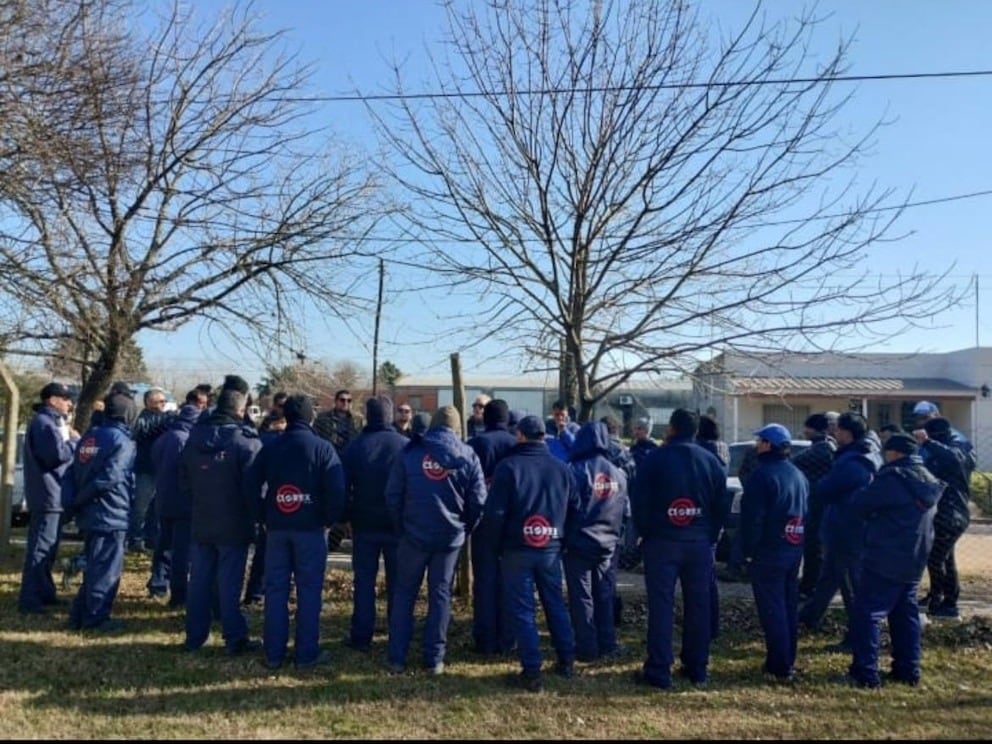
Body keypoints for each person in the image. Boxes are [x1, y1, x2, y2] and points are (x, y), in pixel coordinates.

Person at [384, 405, 487, 676]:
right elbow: (478, 501)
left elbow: (393, 495)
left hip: (413, 535)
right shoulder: (468, 455)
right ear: (456, 428)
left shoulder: (410, 452)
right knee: (440, 596)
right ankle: (434, 658)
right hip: (450, 538)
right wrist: (466, 527)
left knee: (404, 594)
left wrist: (401, 527)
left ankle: (397, 656)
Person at [630, 408, 727, 690]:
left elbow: (640, 503)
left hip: (662, 541)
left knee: (661, 606)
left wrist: (648, 534)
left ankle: (659, 670)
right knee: (699, 605)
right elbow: (721, 505)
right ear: (695, 431)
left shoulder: (654, 459)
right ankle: (698, 667)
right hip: (698, 542)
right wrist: (708, 534)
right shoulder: (711, 461)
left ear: (671, 428)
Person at [248, 394, 346, 669]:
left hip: (277, 528)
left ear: (286, 416)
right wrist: (327, 519)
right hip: (311, 529)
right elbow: (336, 491)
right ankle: (306, 654)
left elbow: (250, 484)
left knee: (276, 590)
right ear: (310, 417)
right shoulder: (323, 449)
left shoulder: (271, 447)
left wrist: (262, 516)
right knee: (309, 590)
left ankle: (274, 654)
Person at [486, 415, 579, 691]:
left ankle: (532, 670)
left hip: (517, 548)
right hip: (551, 547)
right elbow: (575, 508)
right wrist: (563, 538)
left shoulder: (509, 467)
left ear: (521, 436)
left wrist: (496, 545)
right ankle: (567, 659)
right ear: (544, 437)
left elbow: (495, 513)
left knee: (523, 609)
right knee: (555, 604)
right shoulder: (562, 469)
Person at [844, 433, 942, 688]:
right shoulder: (928, 479)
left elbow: (859, 503)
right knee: (904, 613)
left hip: (884, 554)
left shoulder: (893, 478)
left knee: (868, 613)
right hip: (915, 556)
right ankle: (908, 669)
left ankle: (865, 673)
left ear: (895, 453)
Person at [180, 388, 263, 655]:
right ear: (240, 411)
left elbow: (184, 480)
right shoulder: (245, 442)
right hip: (235, 522)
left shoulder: (194, 439)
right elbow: (255, 487)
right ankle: (234, 636)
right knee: (230, 582)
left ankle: (194, 636)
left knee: (199, 580)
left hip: (202, 517)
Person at [799, 412, 881, 652]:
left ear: (848, 433)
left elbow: (827, 487)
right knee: (829, 576)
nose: (834, 432)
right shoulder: (857, 456)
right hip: (842, 527)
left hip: (848, 529)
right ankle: (810, 618)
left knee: (850, 586)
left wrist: (823, 485)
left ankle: (857, 638)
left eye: (838, 428)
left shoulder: (855, 461)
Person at [339, 395, 408, 652]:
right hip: (395, 523)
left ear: (368, 415)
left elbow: (343, 487)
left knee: (364, 582)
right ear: (390, 415)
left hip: (364, 523)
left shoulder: (355, 447)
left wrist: (345, 517)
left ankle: (361, 635)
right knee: (398, 582)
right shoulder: (404, 446)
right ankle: (397, 631)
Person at [741, 424, 808, 682]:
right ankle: (786, 657)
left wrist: (749, 551)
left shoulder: (762, 475)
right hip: (793, 546)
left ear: (768, 444)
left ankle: (779, 665)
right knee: (788, 605)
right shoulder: (797, 475)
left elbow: (753, 518)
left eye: (759, 441)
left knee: (772, 609)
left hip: (769, 550)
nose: (756, 446)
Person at [64, 392, 135, 631]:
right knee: (106, 569)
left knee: (94, 565)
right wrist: (83, 497)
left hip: (90, 513)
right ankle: (96, 618)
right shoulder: (122, 441)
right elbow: (110, 477)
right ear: (127, 414)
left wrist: (76, 501)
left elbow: (72, 473)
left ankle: (78, 615)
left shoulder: (88, 438)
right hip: (111, 513)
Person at [563, 420, 628, 661]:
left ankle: (587, 647)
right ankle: (608, 643)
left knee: (582, 596)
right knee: (604, 594)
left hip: (579, 542)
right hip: (608, 543)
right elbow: (625, 511)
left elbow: (566, 507)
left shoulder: (574, 470)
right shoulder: (618, 473)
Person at [18, 382, 79, 615]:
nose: (70, 403)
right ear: (52, 400)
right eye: (65, 399)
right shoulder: (45, 424)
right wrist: (73, 442)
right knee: (41, 548)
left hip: (51, 494)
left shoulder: (50, 422)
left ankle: (45, 592)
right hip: (48, 494)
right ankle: (31, 599)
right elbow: (55, 456)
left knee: (49, 548)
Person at [466, 398, 518, 655]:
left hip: (483, 518)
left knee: (484, 580)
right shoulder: (516, 445)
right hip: (511, 519)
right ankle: (507, 637)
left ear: (485, 418)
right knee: (509, 578)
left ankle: (485, 639)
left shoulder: (476, 444)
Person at [146, 396, 202, 606]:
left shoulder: (164, 438)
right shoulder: (184, 441)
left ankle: (158, 584)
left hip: (163, 499)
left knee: (163, 545)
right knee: (180, 550)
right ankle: (179, 594)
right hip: (182, 503)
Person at [916, 417, 973, 620]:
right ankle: (941, 599)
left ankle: (946, 603)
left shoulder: (958, 450)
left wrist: (928, 443)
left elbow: (954, 458)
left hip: (951, 513)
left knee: (936, 559)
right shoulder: (947, 449)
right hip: (949, 512)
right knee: (944, 559)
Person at [792, 413, 837, 599]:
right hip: (821, 504)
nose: (804, 431)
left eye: (807, 428)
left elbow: (794, 462)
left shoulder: (821, 449)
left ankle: (809, 586)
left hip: (817, 505)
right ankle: (810, 584)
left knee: (813, 548)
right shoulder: (828, 446)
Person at [127, 387, 174, 553]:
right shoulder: (143, 418)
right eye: (160, 401)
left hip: (160, 469)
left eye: (164, 401)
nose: (163, 404)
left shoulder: (167, 419)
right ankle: (135, 538)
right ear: (148, 402)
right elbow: (142, 430)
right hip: (146, 469)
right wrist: (164, 422)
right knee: (141, 507)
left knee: (156, 508)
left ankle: (152, 538)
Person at [912, 401, 977, 475]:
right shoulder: (923, 440)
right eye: (917, 419)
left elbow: (955, 460)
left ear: (937, 415)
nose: (921, 422)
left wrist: (928, 443)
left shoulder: (954, 437)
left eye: (925, 417)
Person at [314, 389, 364, 454]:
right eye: (342, 400)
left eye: (349, 401)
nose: (345, 403)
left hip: (349, 458)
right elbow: (315, 438)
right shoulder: (323, 418)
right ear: (336, 401)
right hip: (329, 456)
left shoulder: (357, 421)